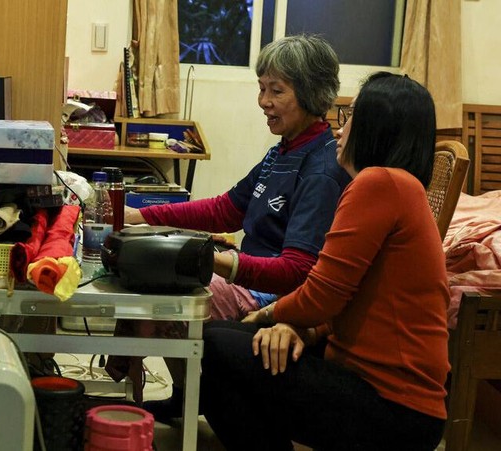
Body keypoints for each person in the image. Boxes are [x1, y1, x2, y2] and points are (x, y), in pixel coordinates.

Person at [200, 72, 450, 450]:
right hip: (383, 391)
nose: (340, 129)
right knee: (230, 342)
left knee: (218, 347)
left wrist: (268, 317)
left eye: (349, 117)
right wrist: (300, 329)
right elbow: (347, 300)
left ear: (375, 128)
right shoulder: (397, 186)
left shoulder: (378, 183)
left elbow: (321, 295)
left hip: (394, 405)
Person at [105, 34, 352, 415]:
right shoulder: (283, 150)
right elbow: (225, 209)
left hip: (270, 294)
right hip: (250, 275)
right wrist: (142, 216)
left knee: (162, 291)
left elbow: (297, 272)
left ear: (310, 93)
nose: (263, 101)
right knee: (145, 268)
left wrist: (218, 262)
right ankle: (177, 395)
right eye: (261, 88)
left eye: (276, 91)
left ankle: (190, 400)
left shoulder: (320, 169)